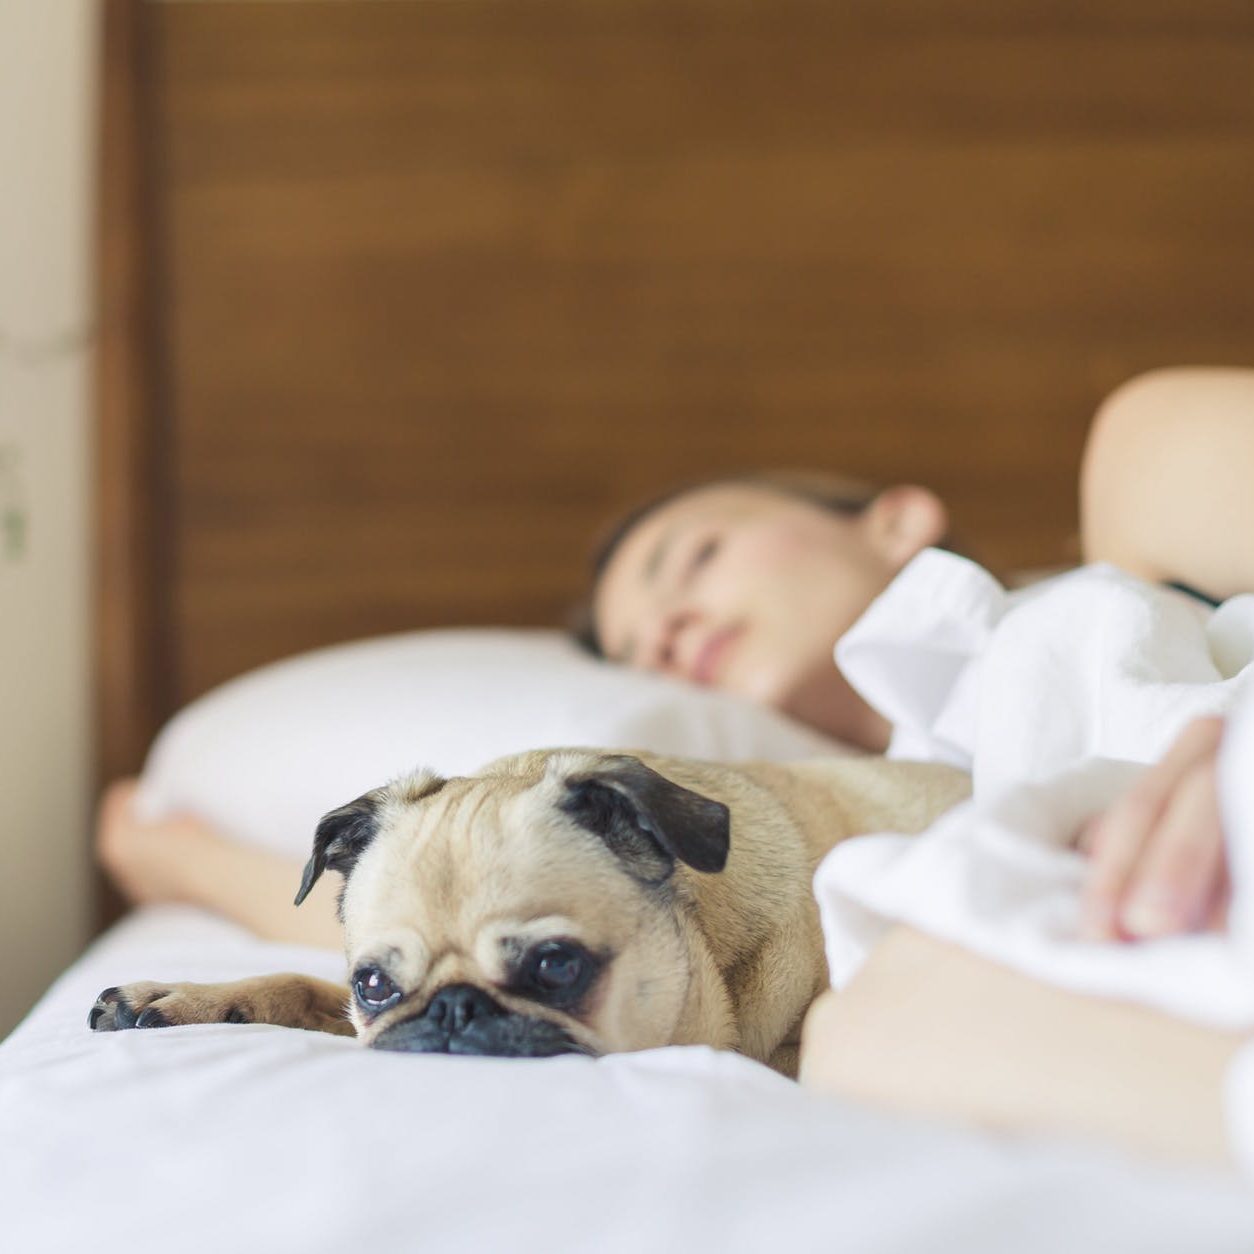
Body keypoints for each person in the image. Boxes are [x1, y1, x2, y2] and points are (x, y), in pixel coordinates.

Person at [96, 367, 1254, 1158]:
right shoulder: (830, 907)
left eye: (692, 557)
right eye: (640, 652)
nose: (667, 628)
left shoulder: (1137, 538)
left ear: (895, 521)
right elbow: (439, 920)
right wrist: (177, 856)